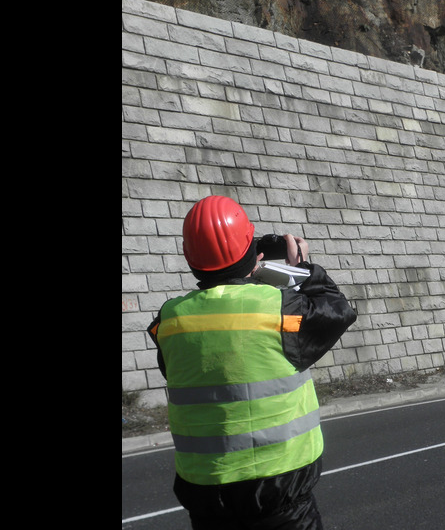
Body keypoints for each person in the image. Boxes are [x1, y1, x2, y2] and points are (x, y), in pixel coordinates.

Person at [146, 195, 357, 530]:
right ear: (252, 251)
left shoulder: (169, 321)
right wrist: (300, 268)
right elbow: (338, 308)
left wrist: (247, 270)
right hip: (281, 498)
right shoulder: (281, 308)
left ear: (189, 258)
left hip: (207, 500)